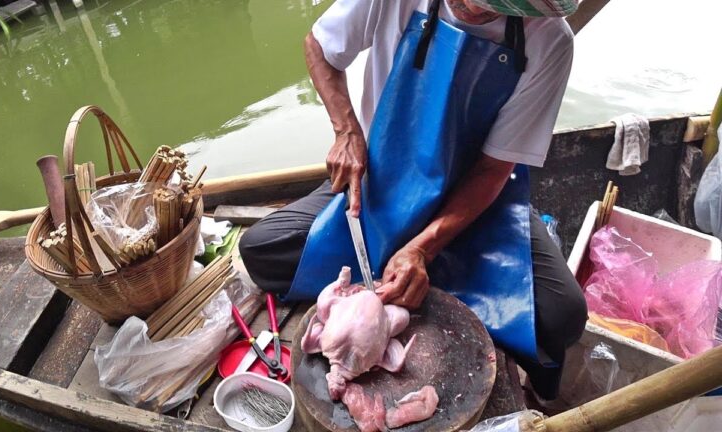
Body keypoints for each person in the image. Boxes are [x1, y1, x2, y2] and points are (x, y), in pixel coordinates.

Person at [239, 0, 587, 401]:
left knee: (561, 316)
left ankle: (416, 280)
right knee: (262, 249)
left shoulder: (551, 40)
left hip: (472, 206)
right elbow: (319, 45)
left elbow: (492, 171)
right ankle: (426, 289)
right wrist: (347, 130)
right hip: (380, 186)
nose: (470, 10)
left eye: (491, 9)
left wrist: (422, 248)